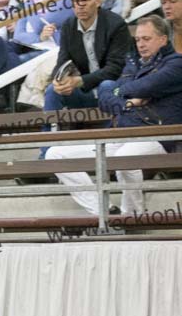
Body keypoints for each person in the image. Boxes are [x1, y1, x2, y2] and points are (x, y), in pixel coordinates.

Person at [47, 16, 182, 217]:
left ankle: (133, 216)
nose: (141, 44)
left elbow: (145, 86)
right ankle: (105, 211)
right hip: (122, 133)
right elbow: (105, 96)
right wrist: (128, 102)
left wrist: (120, 92)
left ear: (163, 39)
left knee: (123, 159)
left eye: (146, 39)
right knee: (55, 155)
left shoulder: (176, 63)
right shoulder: (133, 64)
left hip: (156, 135)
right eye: (138, 39)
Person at [45, 0, 129, 116]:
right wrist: (58, 80)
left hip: (113, 90)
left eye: (85, 0)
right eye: (76, 0)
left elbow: (115, 69)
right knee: (52, 90)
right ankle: (49, 129)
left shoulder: (116, 25)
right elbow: (62, 61)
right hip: (86, 92)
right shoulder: (68, 26)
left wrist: (80, 81)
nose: (80, 5)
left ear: (98, 1)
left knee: (106, 85)